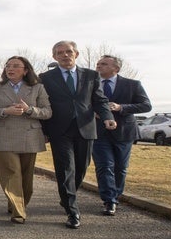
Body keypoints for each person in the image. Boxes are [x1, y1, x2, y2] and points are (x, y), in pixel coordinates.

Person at [39, 41, 116, 229]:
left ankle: (67, 196)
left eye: (68, 52)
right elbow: (43, 103)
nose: (65, 55)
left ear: (76, 54)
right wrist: (44, 130)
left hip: (86, 128)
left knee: (81, 168)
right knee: (65, 168)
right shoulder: (46, 77)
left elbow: (99, 100)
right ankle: (72, 211)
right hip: (59, 130)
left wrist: (107, 117)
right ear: (54, 57)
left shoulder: (91, 75)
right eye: (60, 53)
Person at [0, 56, 52, 224]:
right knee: (11, 173)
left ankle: (16, 204)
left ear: (25, 70)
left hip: (30, 136)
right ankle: (19, 212)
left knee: (26, 179)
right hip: (3, 137)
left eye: (15, 66)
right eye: (8, 66)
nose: (10, 69)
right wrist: (6, 111)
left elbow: (47, 112)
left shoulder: (37, 88)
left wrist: (29, 110)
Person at [92, 55, 152, 216]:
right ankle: (109, 200)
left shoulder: (132, 84)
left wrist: (121, 107)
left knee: (120, 168)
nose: (99, 66)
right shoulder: (90, 84)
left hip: (124, 132)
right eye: (98, 64)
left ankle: (115, 195)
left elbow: (146, 105)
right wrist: (93, 113)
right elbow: (81, 104)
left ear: (116, 68)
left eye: (104, 64)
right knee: (104, 166)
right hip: (98, 132)